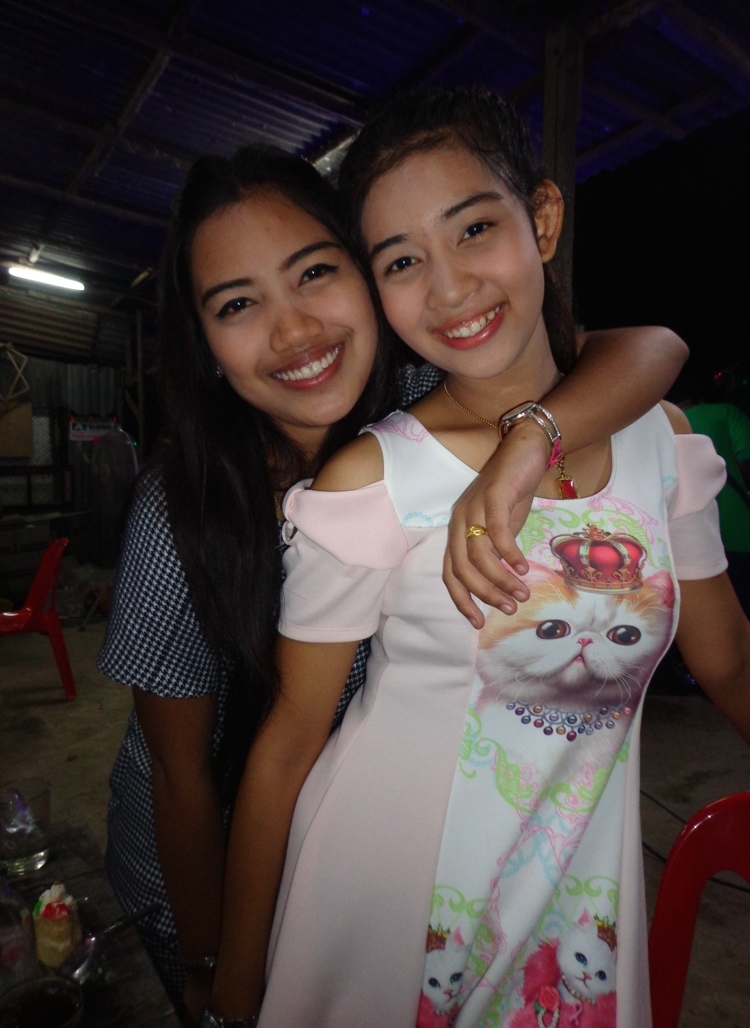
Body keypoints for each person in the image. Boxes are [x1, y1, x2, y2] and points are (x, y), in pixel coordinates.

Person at [97, 146, 685, 1024]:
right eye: (238, 305)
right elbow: (178, 778)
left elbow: (646, 350)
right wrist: (214, 970)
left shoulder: (423, 396)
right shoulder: (178, 510)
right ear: (206, 346)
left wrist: (532, 437)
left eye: (314, 274)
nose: (294, 332)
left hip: (344, 838)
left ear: (370, 279)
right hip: (200, 866)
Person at [208, 90, 750, 1028]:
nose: (450, 286)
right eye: (402, 260)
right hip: (384, 897)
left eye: (472, 229)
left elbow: (729, 659)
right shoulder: (375, 477)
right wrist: (233, 991)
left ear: (541, 219)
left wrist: (529, 438)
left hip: (574, 892)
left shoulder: (658, 443)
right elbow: (289, 740)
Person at [683, 399, 750, 615]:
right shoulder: (725, 413)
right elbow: (746, 460)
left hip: (689, 546)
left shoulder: (651, 423)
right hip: (737, 527)